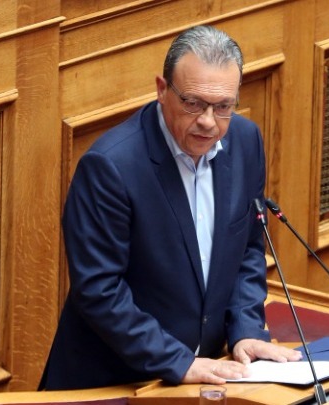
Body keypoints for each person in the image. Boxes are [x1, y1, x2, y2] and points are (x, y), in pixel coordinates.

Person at [40, 24, 301, 390]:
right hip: (114, 383)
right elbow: (100, 290)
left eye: (223, 107)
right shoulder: (110, 166)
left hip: (204, 378)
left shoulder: (245, 142)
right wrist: (178, 361)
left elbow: (248, 250)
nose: (208, 121)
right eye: (193, 103)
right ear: (162, 90)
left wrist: (245, 329)